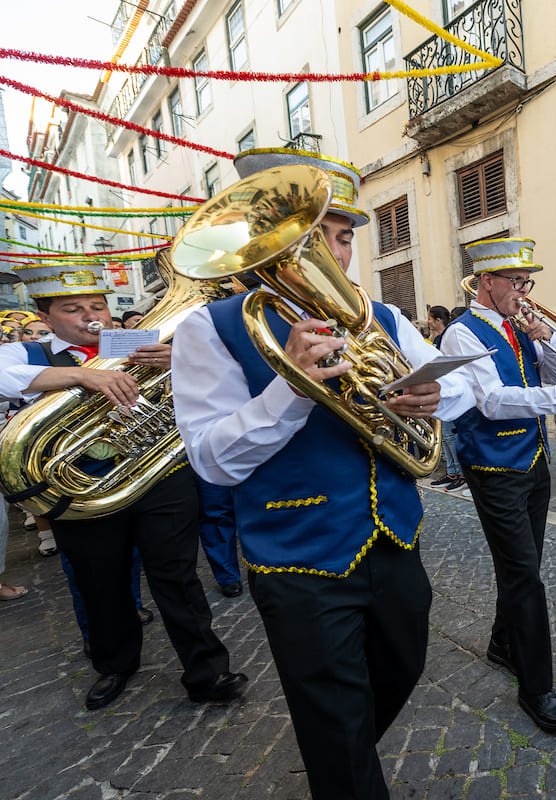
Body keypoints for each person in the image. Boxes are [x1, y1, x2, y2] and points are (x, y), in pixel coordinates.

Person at [172, 148, 475, 800]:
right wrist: (292, 387)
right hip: (299, 557)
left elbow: (458, 386)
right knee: (335, 728)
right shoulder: (212, 328)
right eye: (316, 236)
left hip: (394, 536)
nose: (334, 254)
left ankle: (342, 754)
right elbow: (211, 459)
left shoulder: (381, 316)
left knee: (402, 666)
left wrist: (432, 396)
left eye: (342, 238)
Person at [0, 263, 246, 711]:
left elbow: (218, 374)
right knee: (100, 582)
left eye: (97, 306)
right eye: (73, 309)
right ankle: (115, 665)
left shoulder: (135, 341)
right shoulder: (29, 352)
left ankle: (208, 671)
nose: (90, 316)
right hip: (83, 489)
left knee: (178, 577)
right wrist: (81, 375)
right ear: (46, 316)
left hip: (160, 478)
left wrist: (183, 361)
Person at [440, 237, 556, 733]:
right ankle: (537, 688)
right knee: (524, 577)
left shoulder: (518, 325)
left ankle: (502, 643)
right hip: (494, 468)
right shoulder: (462, 334)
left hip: (533, 459)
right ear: (486, 282)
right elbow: (493, 401)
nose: (523, 291)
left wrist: (546, 340)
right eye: (515, 282)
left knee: (524, 565)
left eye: (526, 283)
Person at [426, 305, 467, 494]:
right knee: (445, 437)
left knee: (451, 437)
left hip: (450, 393)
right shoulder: (437, 339)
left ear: (438, 320)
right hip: (440, 391)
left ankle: (460, 474)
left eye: (430, 318)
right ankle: (452, 472)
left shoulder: (449, 338)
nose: (427, 322)